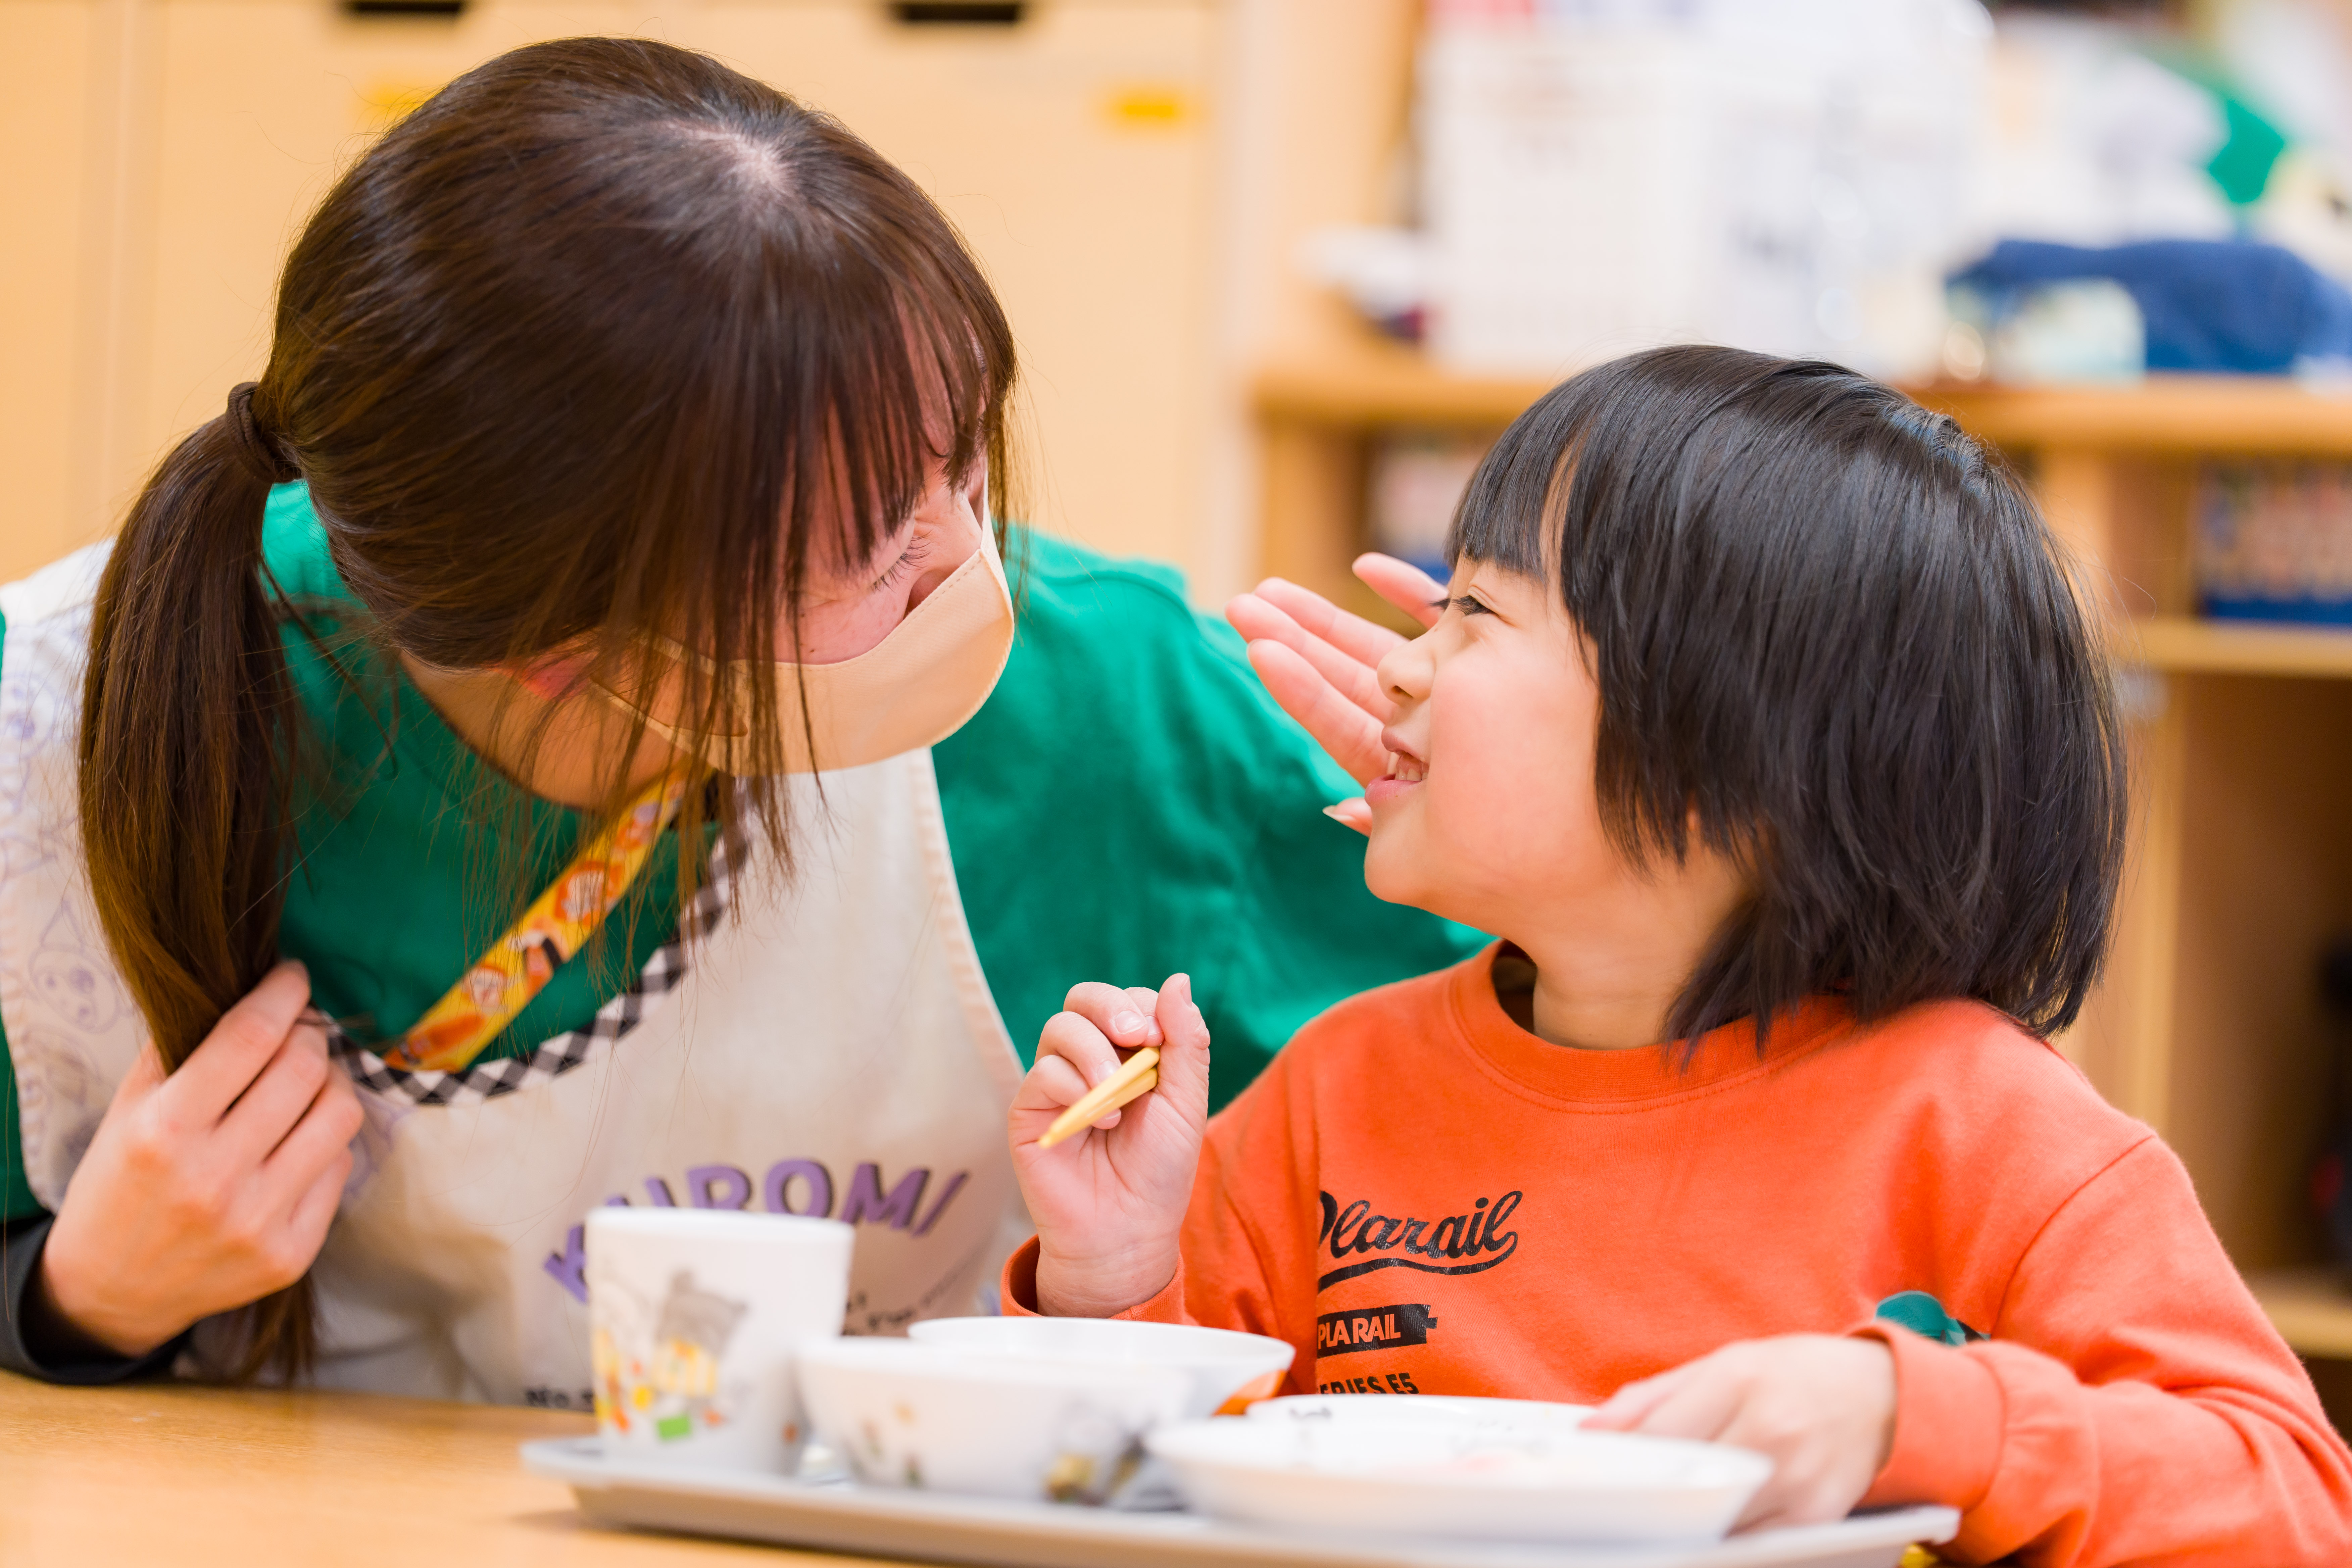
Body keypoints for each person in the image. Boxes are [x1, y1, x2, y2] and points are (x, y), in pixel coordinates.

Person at [0, 37, 1477, 1396]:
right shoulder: (58, 725)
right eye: (874, 545)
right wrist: (76, 1297)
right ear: (561, 649)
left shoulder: (1113, 695)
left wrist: (1534, 861)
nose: (971, 559)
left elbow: (1535, 1169)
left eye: (962, 464)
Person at [1006, 347, 2352, 1565]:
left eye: (1475, 612)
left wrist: (1912, 1411)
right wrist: (1114, 1274)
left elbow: (2293, 1502)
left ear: (1726, 761)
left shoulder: (1986, 1126)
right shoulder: (1339, 1084)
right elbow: (1129, 1494)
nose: (1404, 672)